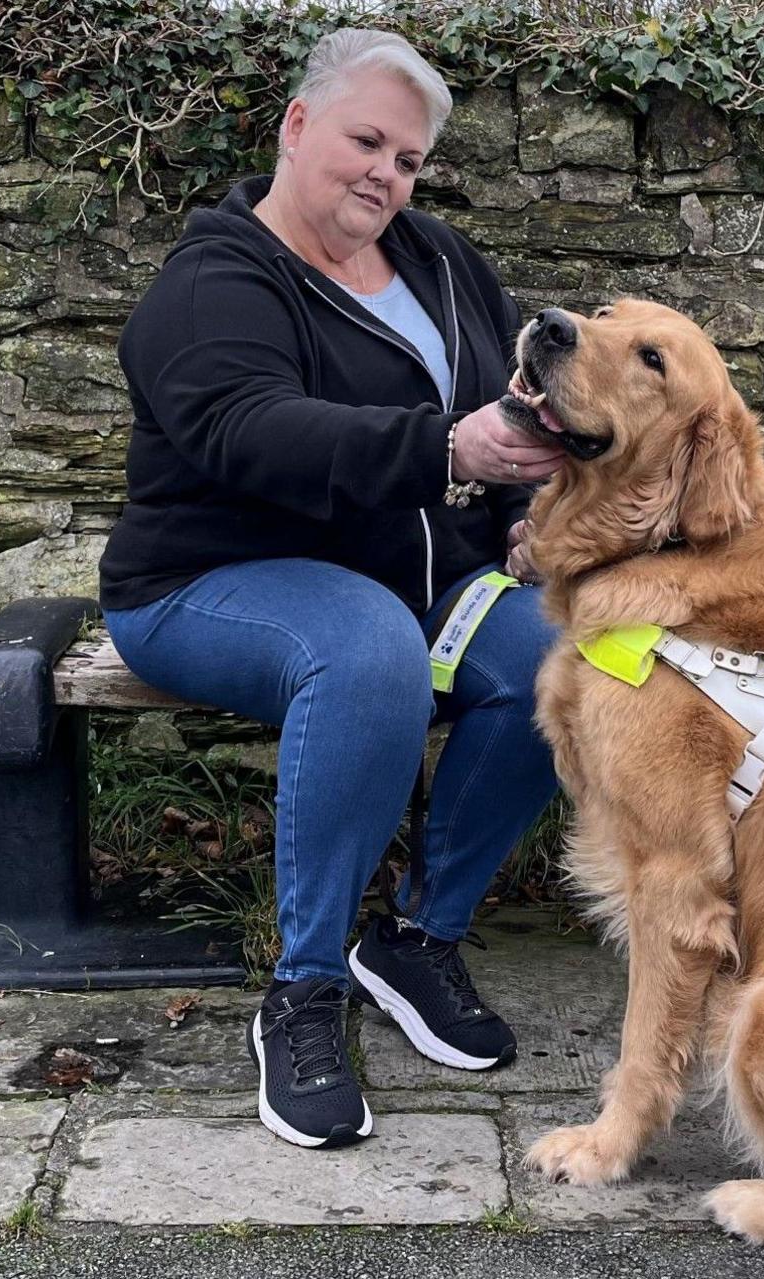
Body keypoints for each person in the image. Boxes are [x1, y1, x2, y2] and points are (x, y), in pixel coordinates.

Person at [98, 28, 567, 1150]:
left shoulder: (443, 259)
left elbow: (500, 406)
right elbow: (251, 432)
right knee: (366, 649)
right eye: (367, 141)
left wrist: (517, 528)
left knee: (572, 647)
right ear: (297, 127)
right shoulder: (213, 280)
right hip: (205, 583)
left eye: (406, 160)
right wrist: (448, 451)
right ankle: (304, 990)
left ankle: (416, 939)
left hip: (419, 582)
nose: (385, 176)